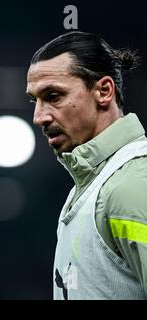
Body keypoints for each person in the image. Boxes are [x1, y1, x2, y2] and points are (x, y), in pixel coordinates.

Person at [26, 31, 147, 299]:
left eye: (53, 96)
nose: (38, 117)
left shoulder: (134, 183)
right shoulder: (94, 185)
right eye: (35, 100)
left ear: (104, 91)